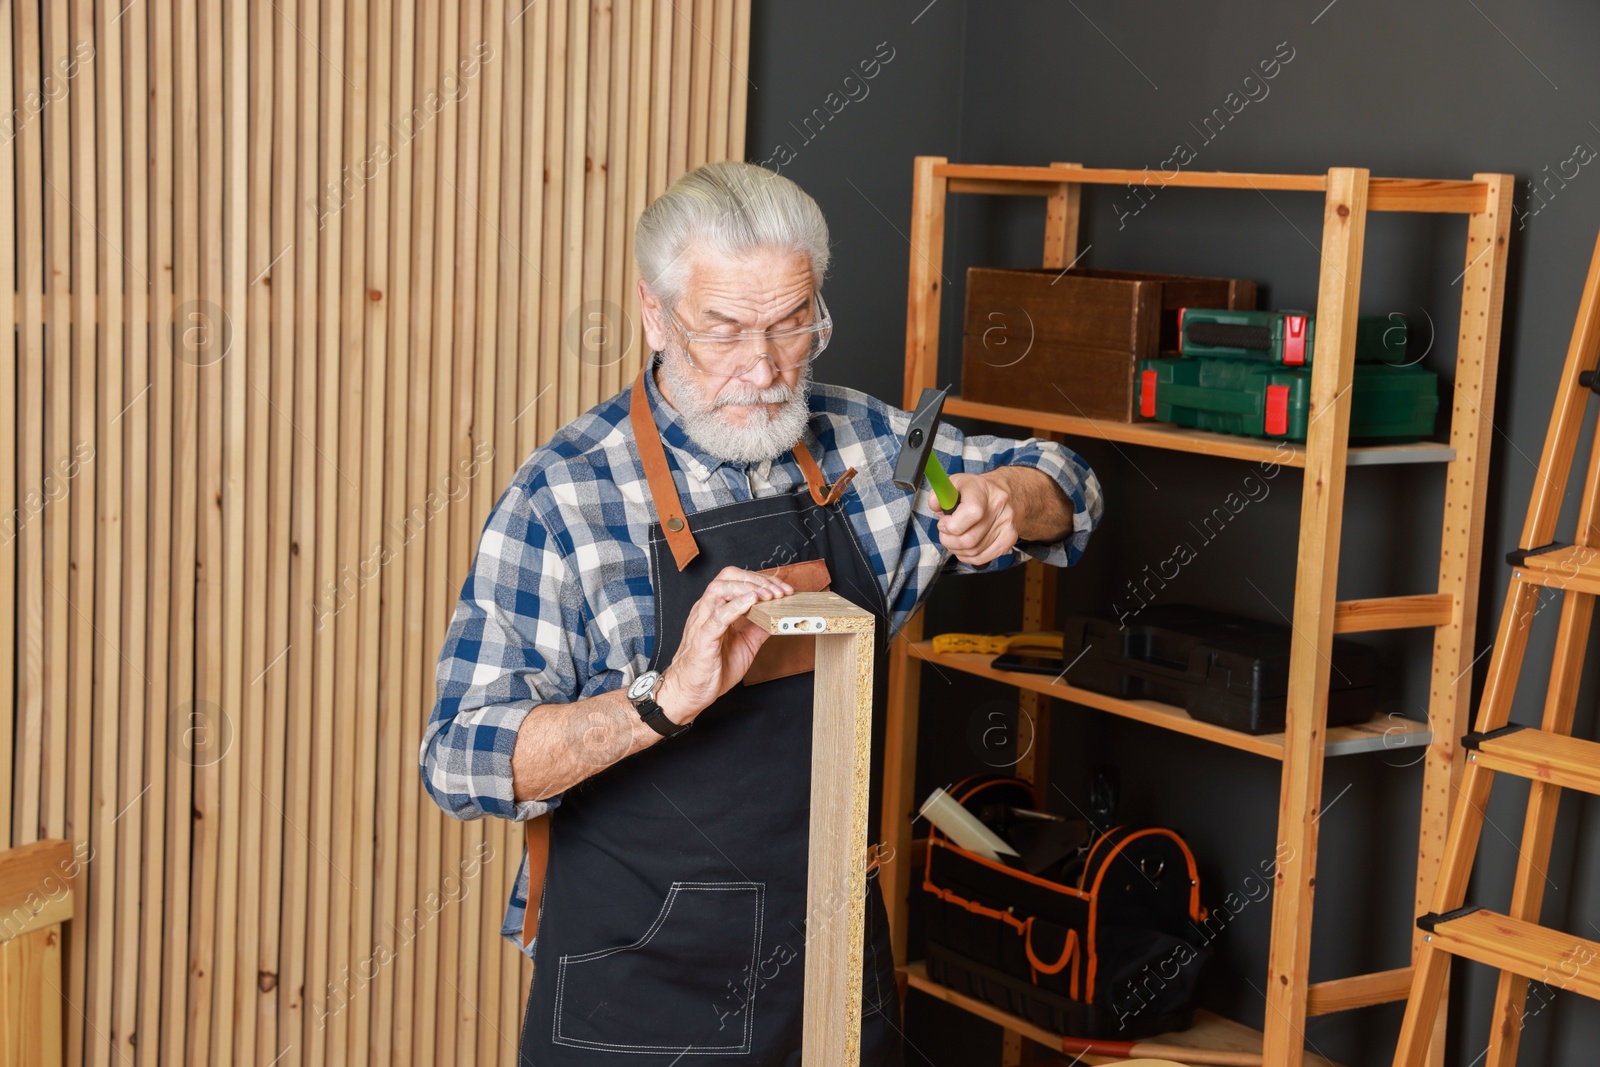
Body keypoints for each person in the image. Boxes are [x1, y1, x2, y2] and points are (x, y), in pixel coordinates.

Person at [420, 160, 1103, 1065]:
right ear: (656, 316)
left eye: (793, 325)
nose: (765, 367)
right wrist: (660, 701)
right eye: (727, 329)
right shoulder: (566, 497)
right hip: (633, 992)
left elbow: (1073, 486)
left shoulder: (862, 444)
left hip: (825, 975)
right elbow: (459, 758)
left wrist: (1007, 497)